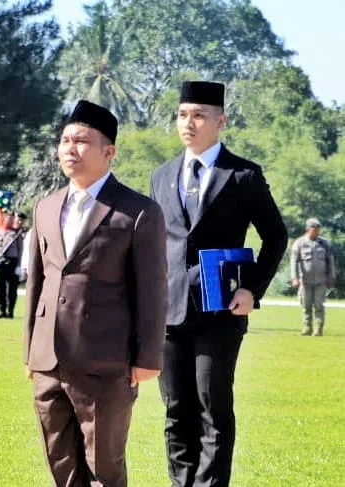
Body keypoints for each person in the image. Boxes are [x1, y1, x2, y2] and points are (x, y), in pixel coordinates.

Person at [149, 81, 288, 487]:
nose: (188, 123)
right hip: (168, 311)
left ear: (220, 121)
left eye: (198, 115)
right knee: (176, 410)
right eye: (182, 115)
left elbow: (275, 236)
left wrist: (252, 289)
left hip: (221, 310)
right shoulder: (161, 175)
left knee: (213, 407)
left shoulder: (243, 175)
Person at [24, 99, 168, 486]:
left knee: (104, 465)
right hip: (49, 360)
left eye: (82, 141)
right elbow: (38, 283)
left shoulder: (138, 211)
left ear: (109, 151)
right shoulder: (46, 207)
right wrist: (31, 352)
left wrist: (147, 357)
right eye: (65, 140)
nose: (70, 149)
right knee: (60, 463)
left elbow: (153, 290)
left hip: (106, 361)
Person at [291, 218, 336, 337]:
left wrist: (331, 276)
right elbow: (293, 262)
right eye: (314, 228)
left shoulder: (325, 243)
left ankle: (318, 329)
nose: (316, 231)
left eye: (318, 228)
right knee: (306, 306)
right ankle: (307, 328)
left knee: (319, 305)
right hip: (305, 281)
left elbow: (330, 261)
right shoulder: (299, 243)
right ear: (308, 229)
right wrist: (294, 278)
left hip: (321, 281)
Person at [0, 210, 25, 319]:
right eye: (7, 218)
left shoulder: (16, 234)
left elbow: (20, 250)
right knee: (0, 288)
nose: (9, 220)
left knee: (12, 289)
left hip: (12, 262)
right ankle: (2, 311)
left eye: (11, 219)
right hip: (0, 261)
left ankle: (10, 311)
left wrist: (19, 265)